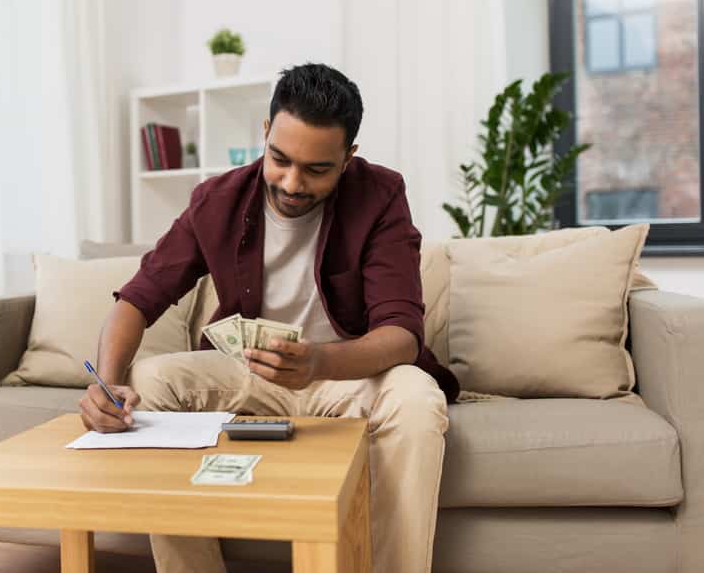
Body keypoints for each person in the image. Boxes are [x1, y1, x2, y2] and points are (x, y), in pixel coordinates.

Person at [79, 62, 460, 573]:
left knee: (415, 396)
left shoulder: (381, 195)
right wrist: (106, 384)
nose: (292, 182)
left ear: (348, 158)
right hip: (250, 373)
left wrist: (318, 362)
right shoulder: (216, 200)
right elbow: (137, 299)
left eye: (317, 169)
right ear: (265, 133)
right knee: (149, 380)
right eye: (279, 159)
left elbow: (401, 335)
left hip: (346, 375)